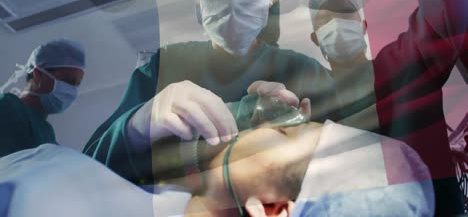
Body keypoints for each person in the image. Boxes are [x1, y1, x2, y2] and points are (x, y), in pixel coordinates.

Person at [84, 0, 340, 185]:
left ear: (270, 1)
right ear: (198, 0)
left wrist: (304, 141)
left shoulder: (304, 71)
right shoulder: (164, 65)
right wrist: (136, 129)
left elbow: (354, 167)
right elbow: (86, 171)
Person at [0, 101, 434, 216]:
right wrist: (134, 130)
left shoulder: (48, 192)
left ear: (271, 210)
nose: (262, 126)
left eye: (285, 132)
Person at [308, 0, 467, 215]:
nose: (336, 24)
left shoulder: (405, 63)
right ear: (315, 39)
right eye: (325, 19)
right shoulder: (311, 101)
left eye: (345, 14)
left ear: (363, 27)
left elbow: (447, 8)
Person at [0, 39, 86, 157]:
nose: (73, 90)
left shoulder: (48, 135)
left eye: (77, 84)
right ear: (38, 74)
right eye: (68, 81)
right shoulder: (8, 107)